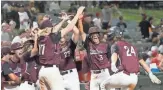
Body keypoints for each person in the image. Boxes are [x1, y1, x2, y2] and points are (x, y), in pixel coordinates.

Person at [36, 6, 85, 90]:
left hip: (63, 74)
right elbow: (67, 28)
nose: (61, 39)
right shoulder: (52, 38)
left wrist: (64, 20)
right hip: (54, 72)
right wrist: (77, 14)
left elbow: (53, 29)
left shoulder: (40, 38)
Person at [79, 15, 112, 90]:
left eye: (96, 34)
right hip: (94, 74)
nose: (95, 36)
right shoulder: (88, 46)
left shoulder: (106, 45)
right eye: (93, 34)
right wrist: (80, 20)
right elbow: (82, 32)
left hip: (104, 73)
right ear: (90, 37)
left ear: (99, 35)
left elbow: (110, 59)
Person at [58, 20, 80, 90]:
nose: (61, 39)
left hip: (71, 75)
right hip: (59, 76)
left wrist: (67, 20)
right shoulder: (54, 48)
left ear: (66, 37)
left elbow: (76, 32)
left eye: (63, 37)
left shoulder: (70, 44)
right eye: (60, 37)